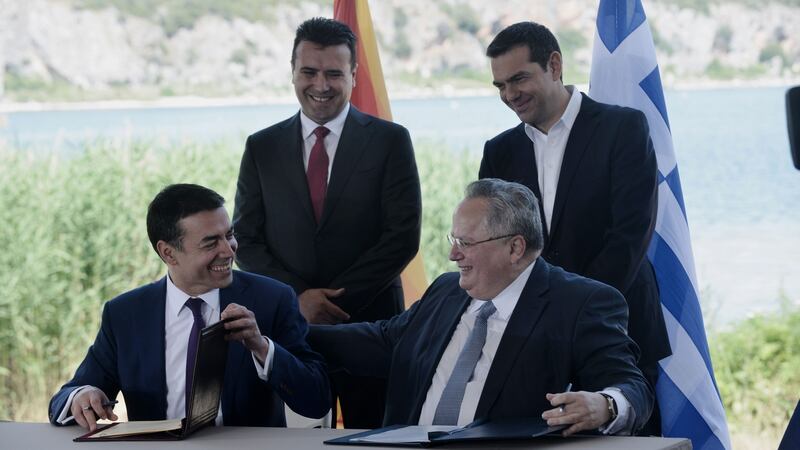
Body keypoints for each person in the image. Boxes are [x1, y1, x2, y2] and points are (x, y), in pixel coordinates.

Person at [309, 179, 654, 435]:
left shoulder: (580, 304)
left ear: (515, 248)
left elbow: (632, 387)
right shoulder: (446, 290)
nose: (452, 254)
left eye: (466, 243)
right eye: (453, 240)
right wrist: (283, 330)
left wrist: (605, 405)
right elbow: (383, 341)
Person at [478, 21, 670, 434]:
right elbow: (493, 245)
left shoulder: (625, 129)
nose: (510, 95)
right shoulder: (499, 151)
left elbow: (630, 237)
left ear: (554, 64)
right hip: (531, 343)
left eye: (518, 79)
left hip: (620, 332)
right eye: (500, 86)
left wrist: (570, 312)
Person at [232, 17, 421, 428]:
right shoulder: (261, 146)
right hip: (286, 329)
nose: (321, 85)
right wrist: (297, 300)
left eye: (334, 73)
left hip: (370, 326)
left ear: (354, 74)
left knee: (374, 434)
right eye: (309, 72)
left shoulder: (391, 141)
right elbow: (245, 238)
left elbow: (402, 237)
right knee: (291, 435)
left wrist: (331, 303)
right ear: (293, 72)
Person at [48, 184, 330, 431]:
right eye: (211, 243)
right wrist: (82, 397)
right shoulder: (125, 313)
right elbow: (68, 395)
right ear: (168, 253)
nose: (229, 250)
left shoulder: (272, 298)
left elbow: (316, 399)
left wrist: (262, 347)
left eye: (229, 235)